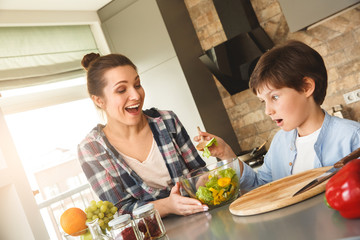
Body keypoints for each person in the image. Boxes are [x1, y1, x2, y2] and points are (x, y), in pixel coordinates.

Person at [195, 40, 360, 192]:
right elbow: (262, 189)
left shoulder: (352, 137)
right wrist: (226, 154)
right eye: (263, 101)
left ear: (306, 87)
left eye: (274, 97)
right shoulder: (280, 142)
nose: (268, 111)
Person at [77, 53, 209, 217]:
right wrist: (167, 206)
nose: (136, 95)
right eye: (121, 90)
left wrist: (213, 171)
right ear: (99, 100)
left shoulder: (167, 120)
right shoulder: (91, 150)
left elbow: (198, 173)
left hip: (200, 217)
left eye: (137, 84)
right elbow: (121, 211)